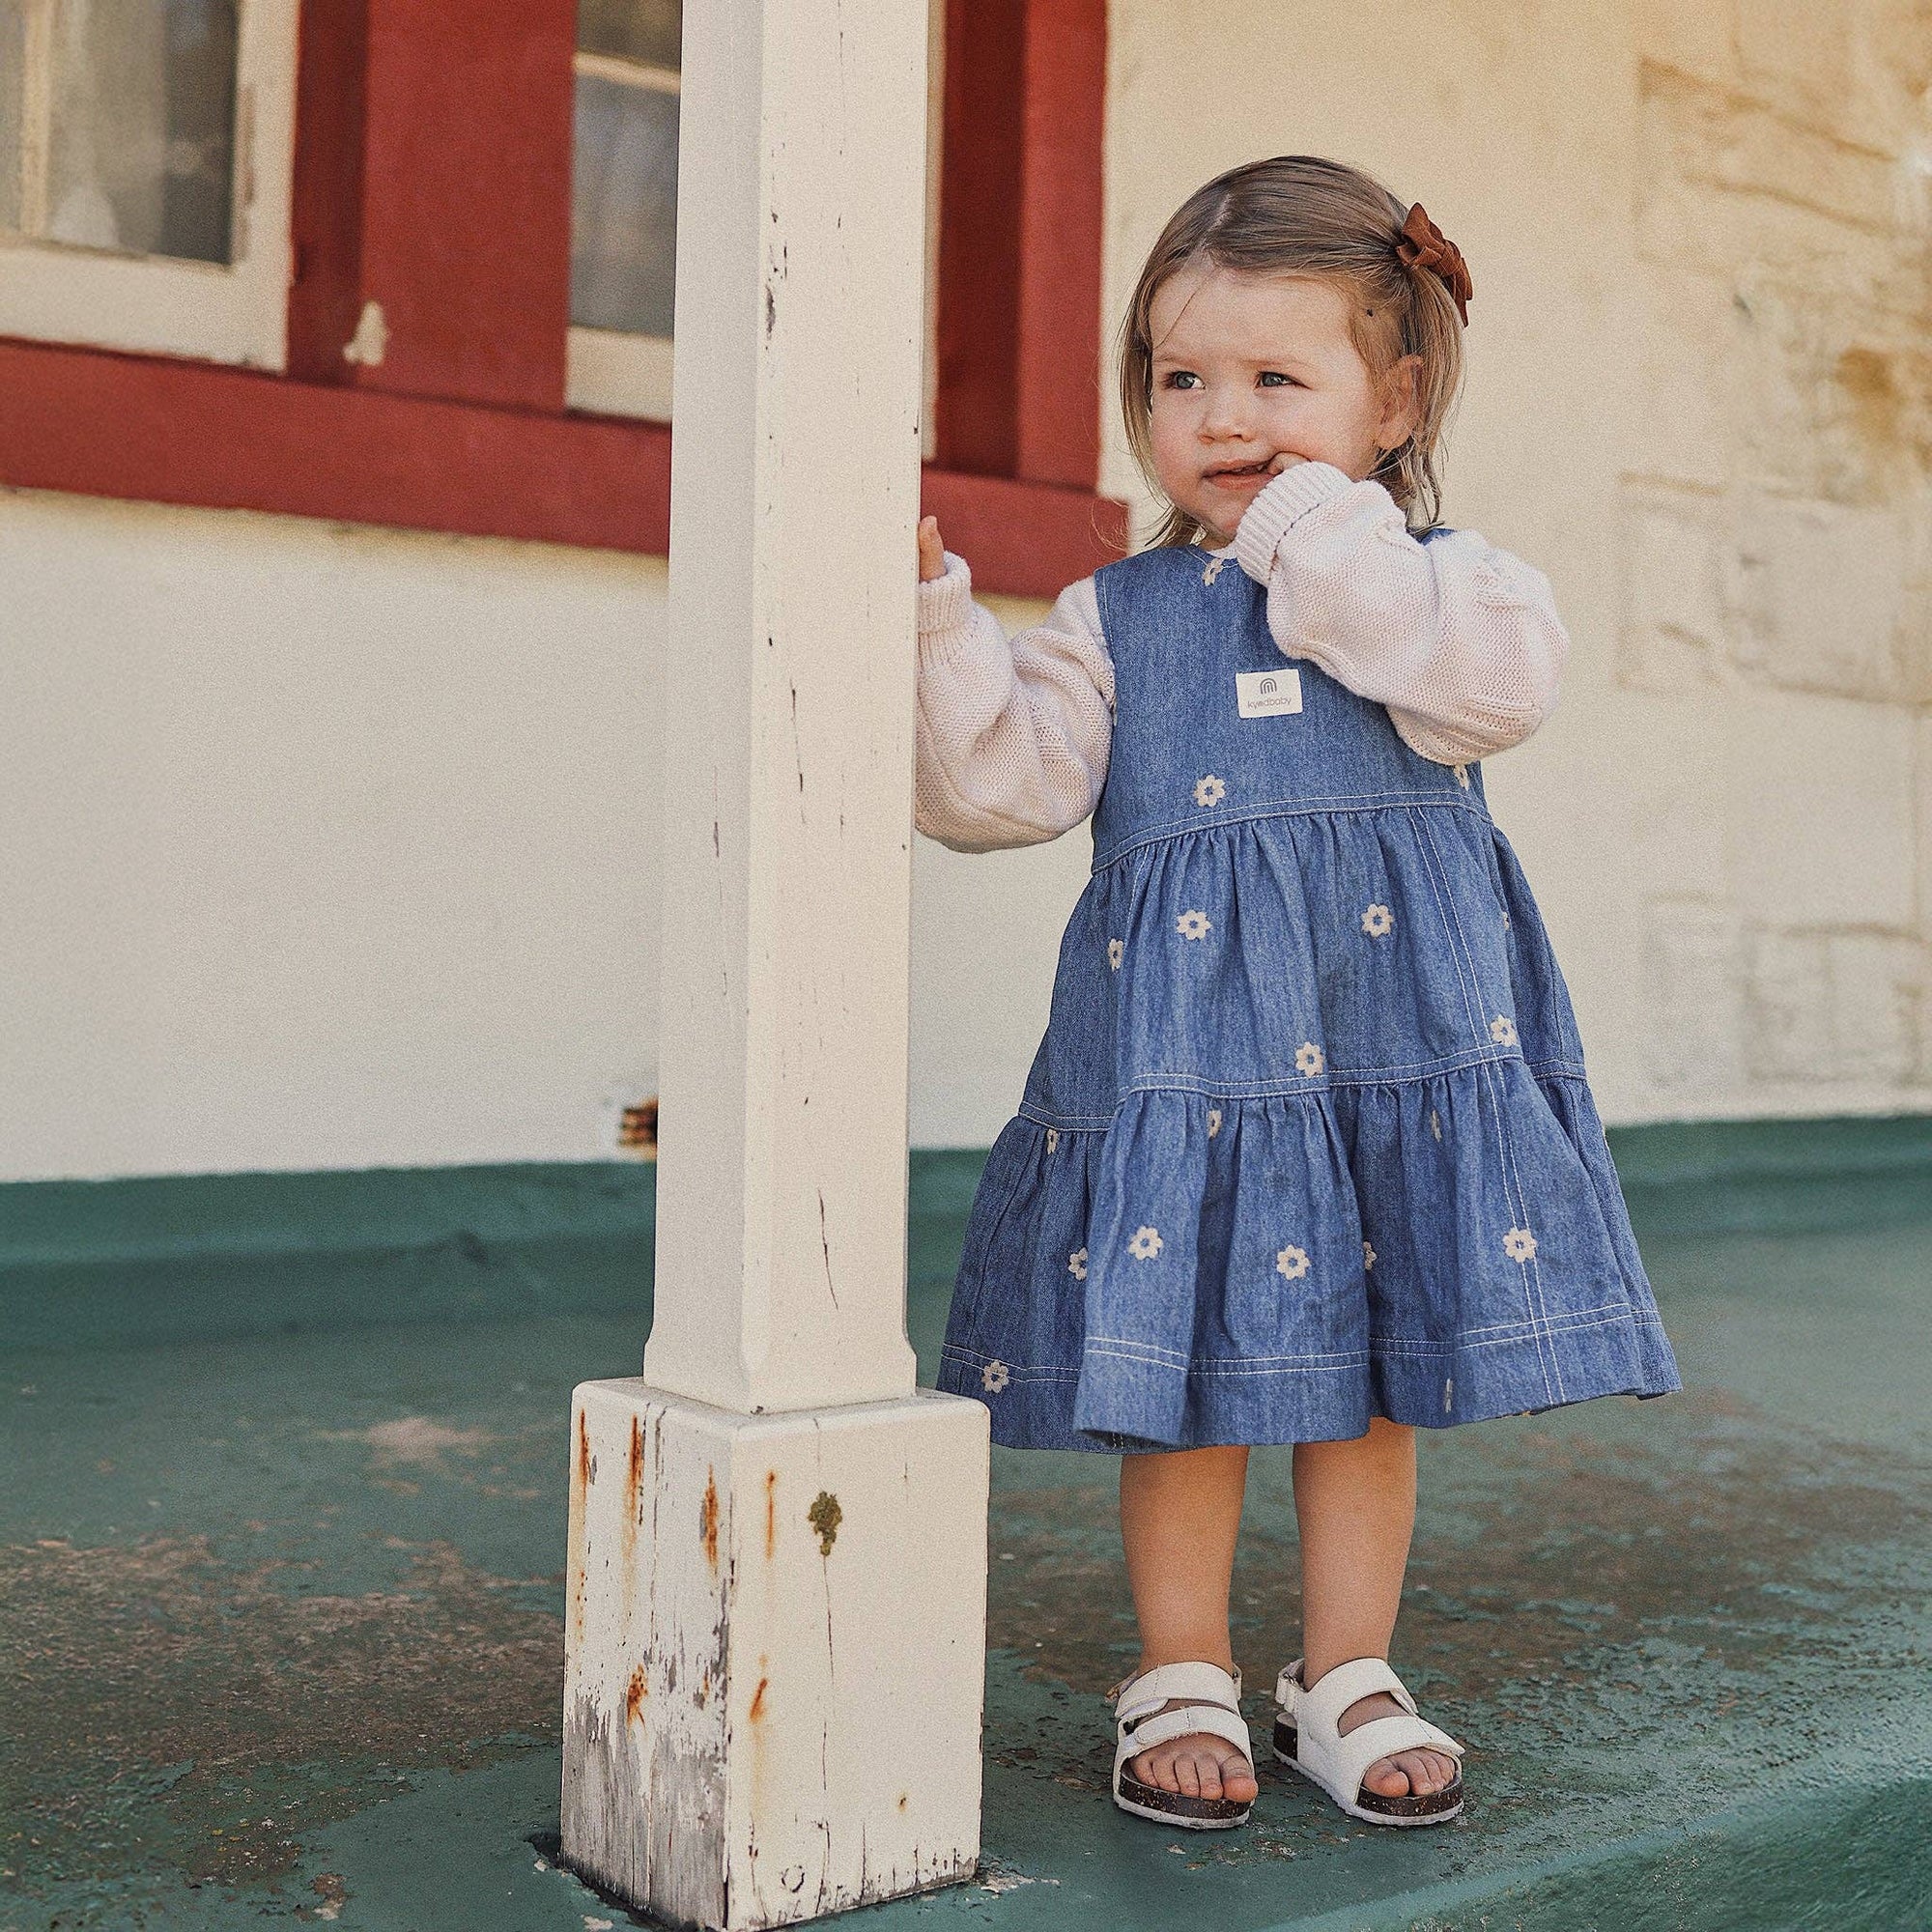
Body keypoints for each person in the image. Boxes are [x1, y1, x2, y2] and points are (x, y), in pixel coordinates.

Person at [912, 156, 1680, 1832]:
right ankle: (1176, 1663)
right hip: (1197, 1067)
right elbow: (1000, 785)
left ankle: (1347, 1667)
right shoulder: (1117, 614)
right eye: (1183, 380)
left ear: (1395, 398)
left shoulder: (1436, 587)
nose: (1226, 417)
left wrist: (1318, 521)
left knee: (1372, 1374)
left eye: (1279, 378)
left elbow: (1485, 694)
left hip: (1390, 1047)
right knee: (1188, 1382)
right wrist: (928, 623)